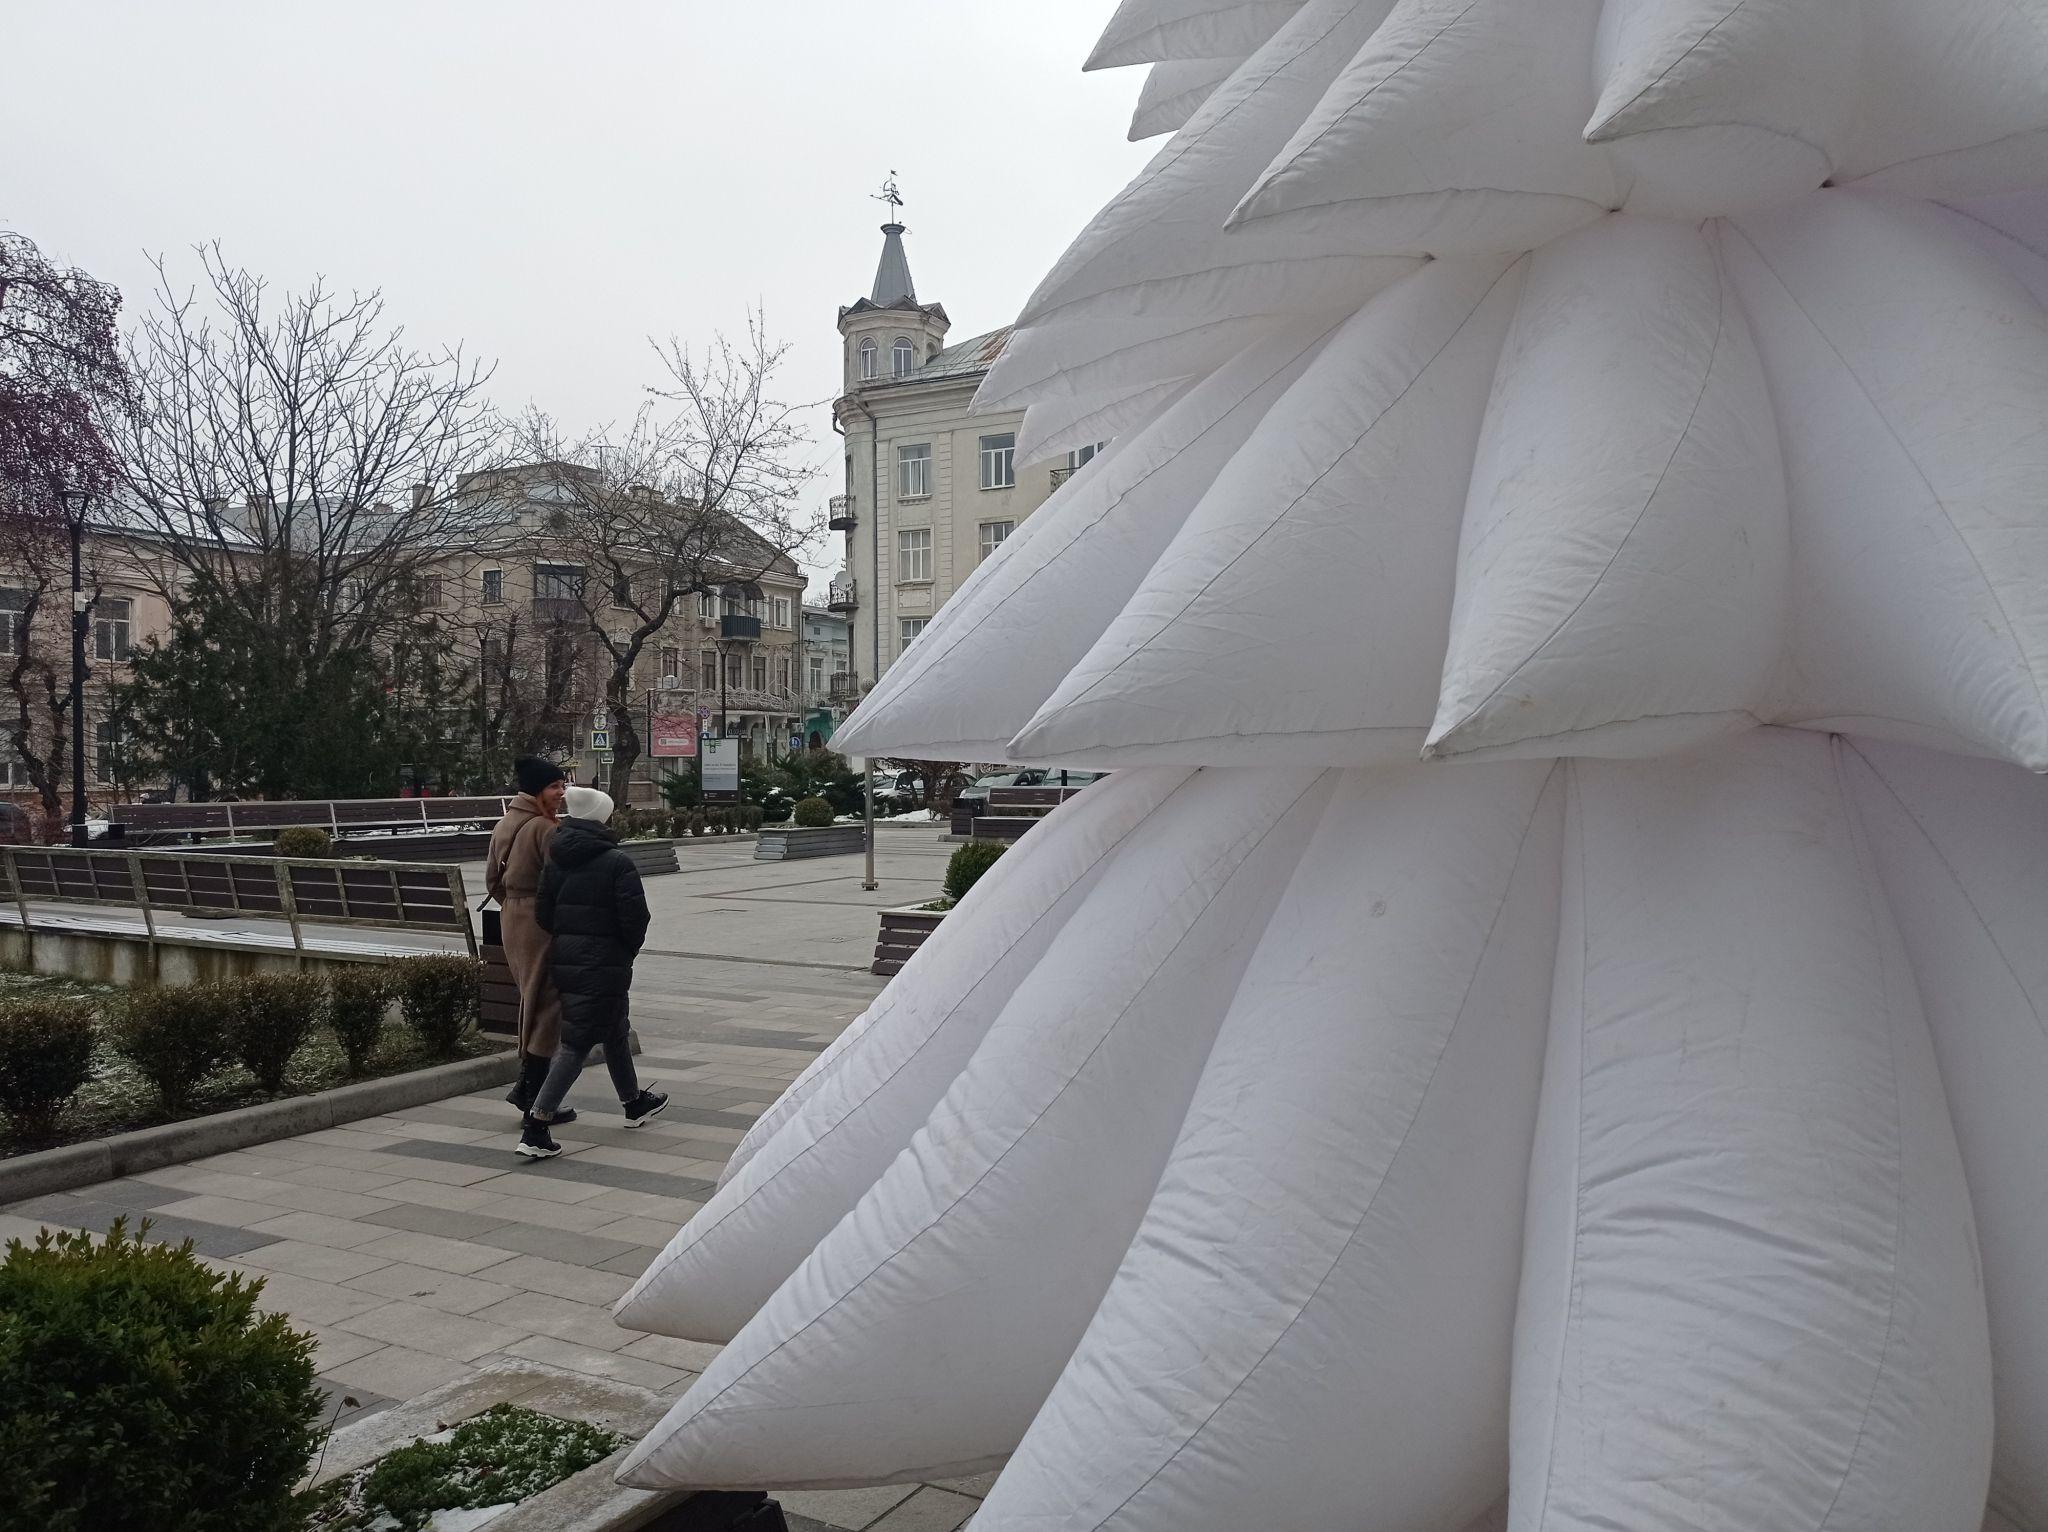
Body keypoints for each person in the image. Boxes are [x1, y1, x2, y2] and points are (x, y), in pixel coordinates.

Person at [518, 785, 667, 1158]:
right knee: (577, 1042)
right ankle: (536, 1125)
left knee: (615, 1027)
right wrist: (624, 950)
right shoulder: (617, 862)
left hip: (568, 957)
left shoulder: (557, 858)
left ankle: (633, 1102)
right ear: (602, 817)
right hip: (604, 961)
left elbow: (543, 914)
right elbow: (635, 918)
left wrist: (571, 939)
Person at [486, 757, 576, 1124]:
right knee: (549, 1003)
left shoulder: (505, 823)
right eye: (555, 786)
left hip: (513, 919)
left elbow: (492, 881)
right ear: (538, 790)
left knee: (532, 996)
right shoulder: (544, 829)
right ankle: (532, 1094)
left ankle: (528, 1087)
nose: (562, 793)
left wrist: (514, 905)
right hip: (541, 920)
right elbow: (561, 884)